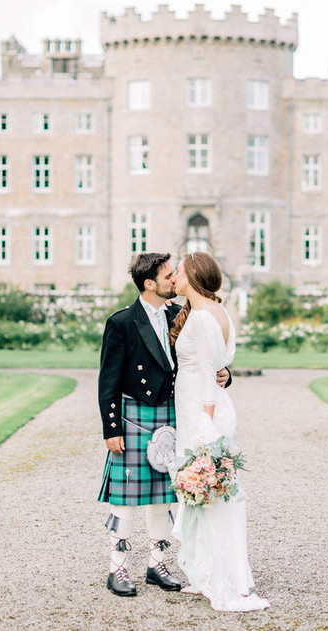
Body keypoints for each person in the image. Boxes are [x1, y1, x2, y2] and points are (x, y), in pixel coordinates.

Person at [97, 252, 231, 597]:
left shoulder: (181, 313)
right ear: (149, 284)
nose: (174, 280)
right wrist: (111, 429)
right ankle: (118, 568)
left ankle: (157, 564)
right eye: (168, 275)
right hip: (134, 417)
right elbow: (108, 380)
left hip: (170, 415)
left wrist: (224, 373)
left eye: (175, 274)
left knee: (162, 498)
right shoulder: (123, 322)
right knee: (125, 499)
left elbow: (204, 356)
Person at [169, 251, 270, 612]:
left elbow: (211, 379)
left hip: (201, 413)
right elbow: (220, 367)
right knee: (202, 497)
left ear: (193, 275)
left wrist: (205, 428)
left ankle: (223, 579)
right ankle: (204, 572)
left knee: (210, 495)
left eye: (178, 272)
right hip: (197, 409)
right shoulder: (218, 311)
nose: (173, 278)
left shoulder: (201, 319)